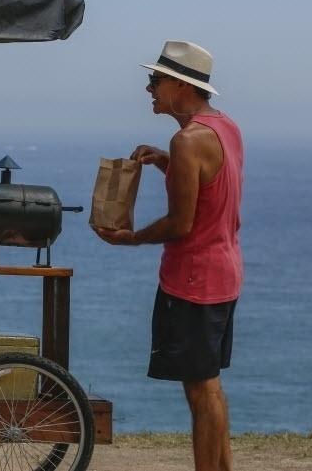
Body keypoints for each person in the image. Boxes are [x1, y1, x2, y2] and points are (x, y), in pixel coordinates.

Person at [93, 40, 243, 471]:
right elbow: (210, 185)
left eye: (155, 80)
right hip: (225, 271)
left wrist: (130, 238)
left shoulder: (188, 140)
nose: (149, 88)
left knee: (200, 390)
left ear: (180, 84)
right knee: (210, 384)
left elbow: (181, 223)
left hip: (193, 279)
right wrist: (164, 162)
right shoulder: (224, 127)